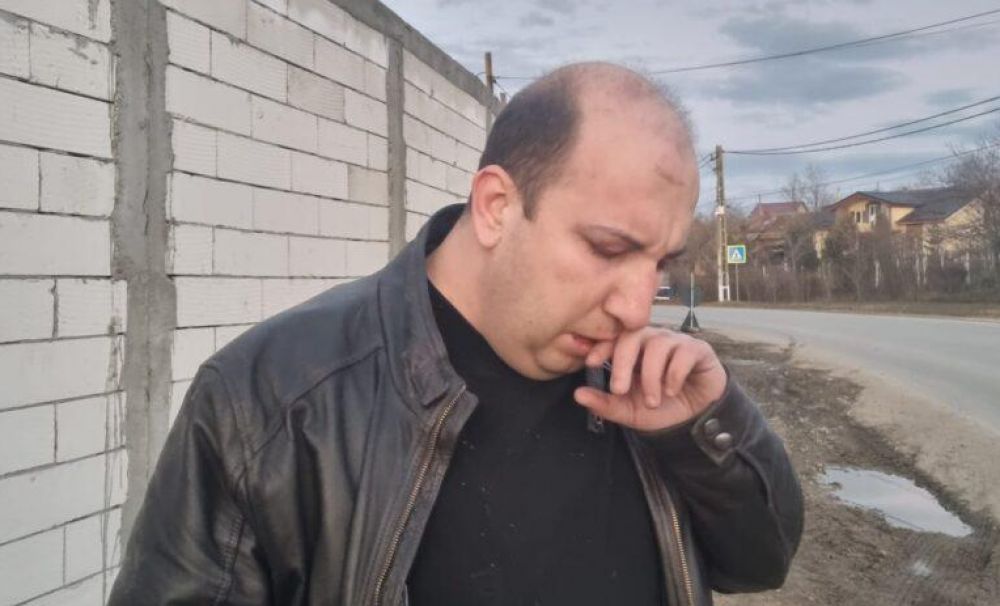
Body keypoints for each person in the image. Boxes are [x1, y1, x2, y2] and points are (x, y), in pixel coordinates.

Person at [109, 62, 802, 606]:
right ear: (496, 205)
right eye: (608, 249)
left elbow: (761, 562)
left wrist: (706, 429)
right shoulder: (271, 403)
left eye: (660, 263)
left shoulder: (648, 388)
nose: (636, 307)